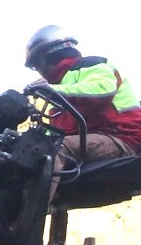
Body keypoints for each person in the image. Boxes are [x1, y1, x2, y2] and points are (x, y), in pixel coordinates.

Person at [24, 24, 141, 166]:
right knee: (37, 148)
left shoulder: (90, 65)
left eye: (36, 64)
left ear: (48, 56)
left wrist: (52, 91)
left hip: (122, 138)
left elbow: (102, 91)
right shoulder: (59, 90)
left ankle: (46, 181)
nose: (38, 70)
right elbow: (55, 132)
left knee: (54, 149)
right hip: (90, 140)